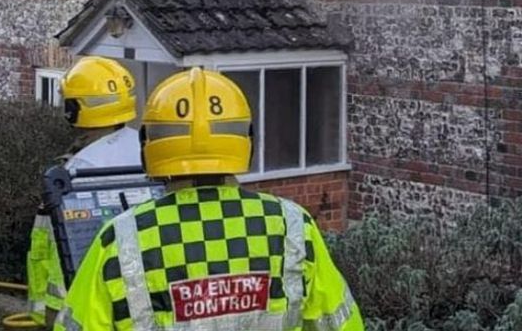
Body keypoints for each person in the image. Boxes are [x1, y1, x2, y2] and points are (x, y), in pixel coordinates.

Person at [54, 67, 364, 331]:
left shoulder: (121, 238)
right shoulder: (292, 226)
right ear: (246, 140)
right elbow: (341, 323)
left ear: (149, 144)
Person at [27, 56, 143, 328]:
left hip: (87, 294)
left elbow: (59, 247)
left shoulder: (79, 169)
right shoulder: (147, 149)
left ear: (73, 109)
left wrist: (51, 310)